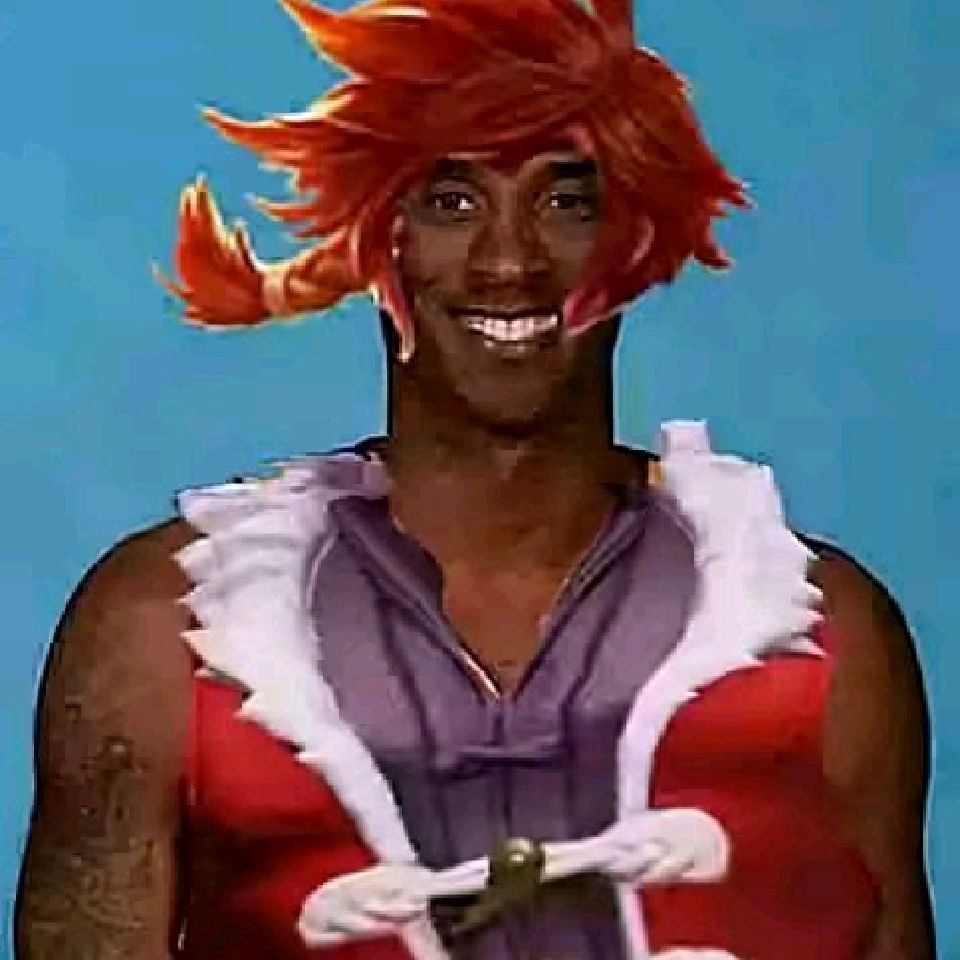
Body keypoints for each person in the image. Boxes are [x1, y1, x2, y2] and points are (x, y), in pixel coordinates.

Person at [14, 0, 936, 958]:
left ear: (634, 246)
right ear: (377, 242)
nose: (508, 261)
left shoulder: (824, 631)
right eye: (451, 202)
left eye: (566, 202)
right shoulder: (159, 631)